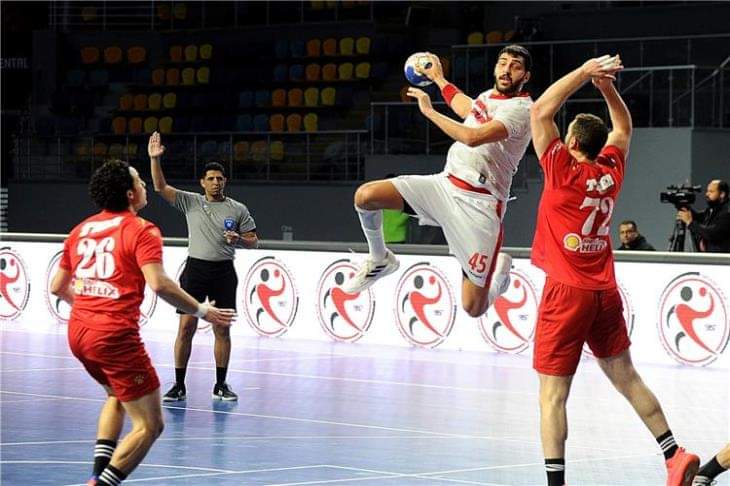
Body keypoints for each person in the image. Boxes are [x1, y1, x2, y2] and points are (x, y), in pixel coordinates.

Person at [529, 55, 699, 486]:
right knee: (626, 376)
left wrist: (584, 73)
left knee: (552, 396)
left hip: (565, 292)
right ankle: (674, 454)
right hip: (604, 291)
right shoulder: (610, 170)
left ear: (571, 141)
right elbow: (623, 128)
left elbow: (540, 110)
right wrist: (607, 88)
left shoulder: (561, 170)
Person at [50, 160, 236, 486]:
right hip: (114, 337)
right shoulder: (141, 230)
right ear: (129, 194)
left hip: (79, 334)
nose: (144, 185)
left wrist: (90, 309)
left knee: (116, 396)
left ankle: (96, 472)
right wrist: (202, 311)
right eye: (139, 181)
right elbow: (159, 284)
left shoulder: (82, 229)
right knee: (150, 425)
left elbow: (57, 287)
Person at [343, 45, 534, 317]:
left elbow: (472, 137)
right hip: (445, 186)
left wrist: (430, 111)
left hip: (479, 206)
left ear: (525, 76)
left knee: (473, 307)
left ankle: (499, 280)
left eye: (515, 66)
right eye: (502, 63)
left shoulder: (522, 109)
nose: (506, 70)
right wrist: (439, 79)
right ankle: (379, 258)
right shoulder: (487, 96)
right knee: (366, 196)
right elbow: (467, 107)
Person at [148, 132, 258, 402]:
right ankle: (178, 385)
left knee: (222, 329)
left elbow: (254, 241)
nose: (216, 182)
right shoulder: (190, 201)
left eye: (220, 178)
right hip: (195, 271)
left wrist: (239, 239)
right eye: (211, 179)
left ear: (225, 181)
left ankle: (220, 385)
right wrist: (155, 159)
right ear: (202, 182)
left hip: (223, 272)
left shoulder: (238, 209)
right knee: (186, 328)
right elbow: (160, 187)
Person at [677, 179, 730, 253]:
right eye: (707, 191)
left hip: (721, 258)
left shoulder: (727, 212)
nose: (707, 194)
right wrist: (682, 205)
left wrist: (690, 223)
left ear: (722, 194)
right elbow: (699, 218)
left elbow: (712, 233)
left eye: (711, 191)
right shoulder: (712, 209)